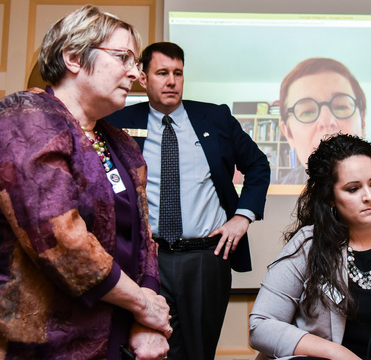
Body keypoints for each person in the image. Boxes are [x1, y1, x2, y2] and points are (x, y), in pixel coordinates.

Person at [0, 6, 171, 359]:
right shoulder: (25, 117)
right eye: (124, 58)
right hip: (20, 341)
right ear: (73, 57)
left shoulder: (123, 144)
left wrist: (146, 322)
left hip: (106, 336)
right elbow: (59, 239)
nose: (135, 73)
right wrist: (143, 304)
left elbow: (144, 242)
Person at [106, 42, 271, 359]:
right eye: (162, 73)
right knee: (148, 349)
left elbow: (258, 165)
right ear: (143, 77)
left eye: (178, 73)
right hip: (146, 258)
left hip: (205, 258)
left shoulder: (215, 118)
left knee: (198, 352)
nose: (171, 81)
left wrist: (242, 217)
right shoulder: (118, 122)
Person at [249, 133, 371, 360]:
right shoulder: (307, 246)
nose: (369, 196)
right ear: (330, 197)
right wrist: (337, 353)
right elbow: (260, 326)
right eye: (353, 189)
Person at [278, 57, 371, 185]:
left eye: (341, 107)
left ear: (362, 122)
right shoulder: (272, 198)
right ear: (288, 134)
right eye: (307, 112)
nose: (327, 121)